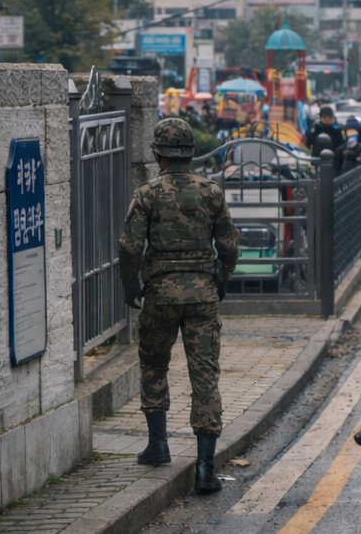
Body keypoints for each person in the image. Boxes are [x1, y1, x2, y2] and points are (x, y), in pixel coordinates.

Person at [117, 118, 240, 495]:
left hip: (159, 296)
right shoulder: (212, 192)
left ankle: (158, 446)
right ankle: (204, 470)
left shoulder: (147, 194)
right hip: (203, 296)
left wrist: (130, 286)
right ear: (190, 153)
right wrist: (222, 278)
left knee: (154, 365)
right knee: (205, 377)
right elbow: (230, 245)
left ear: (157, 155)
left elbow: (129, 247)